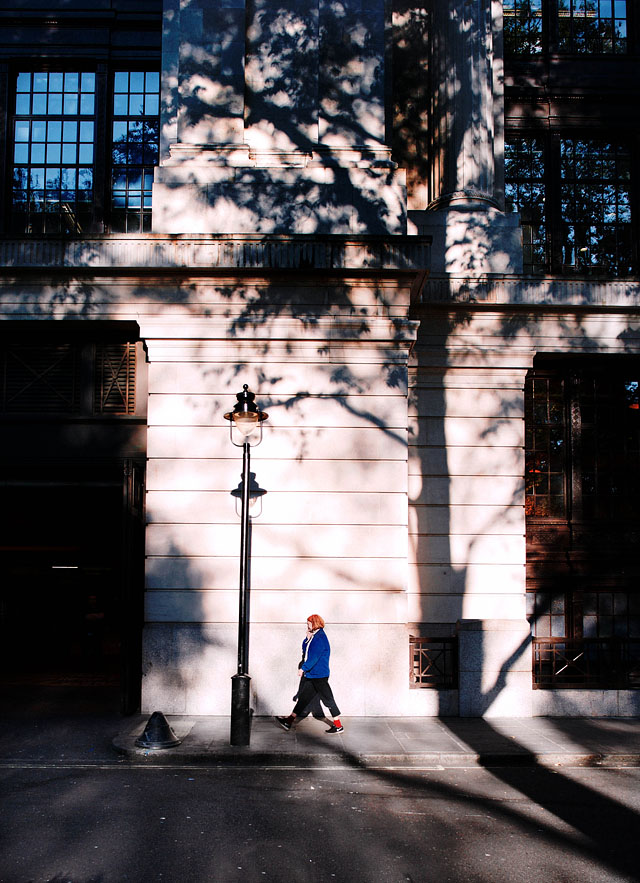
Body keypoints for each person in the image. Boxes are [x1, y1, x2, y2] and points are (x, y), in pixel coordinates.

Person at [275, 614, 344, 734]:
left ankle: (338, 725)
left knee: (328, 699)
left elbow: (313, 657)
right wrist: (307, 639)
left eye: (309, 624)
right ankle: (289, 721)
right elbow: (305, 651)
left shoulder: (319, 638)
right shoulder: (314, 637)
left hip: (319, 676)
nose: (307, 626)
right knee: (303, 699)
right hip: (313, 675)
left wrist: (303, 669)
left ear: (314, 623)